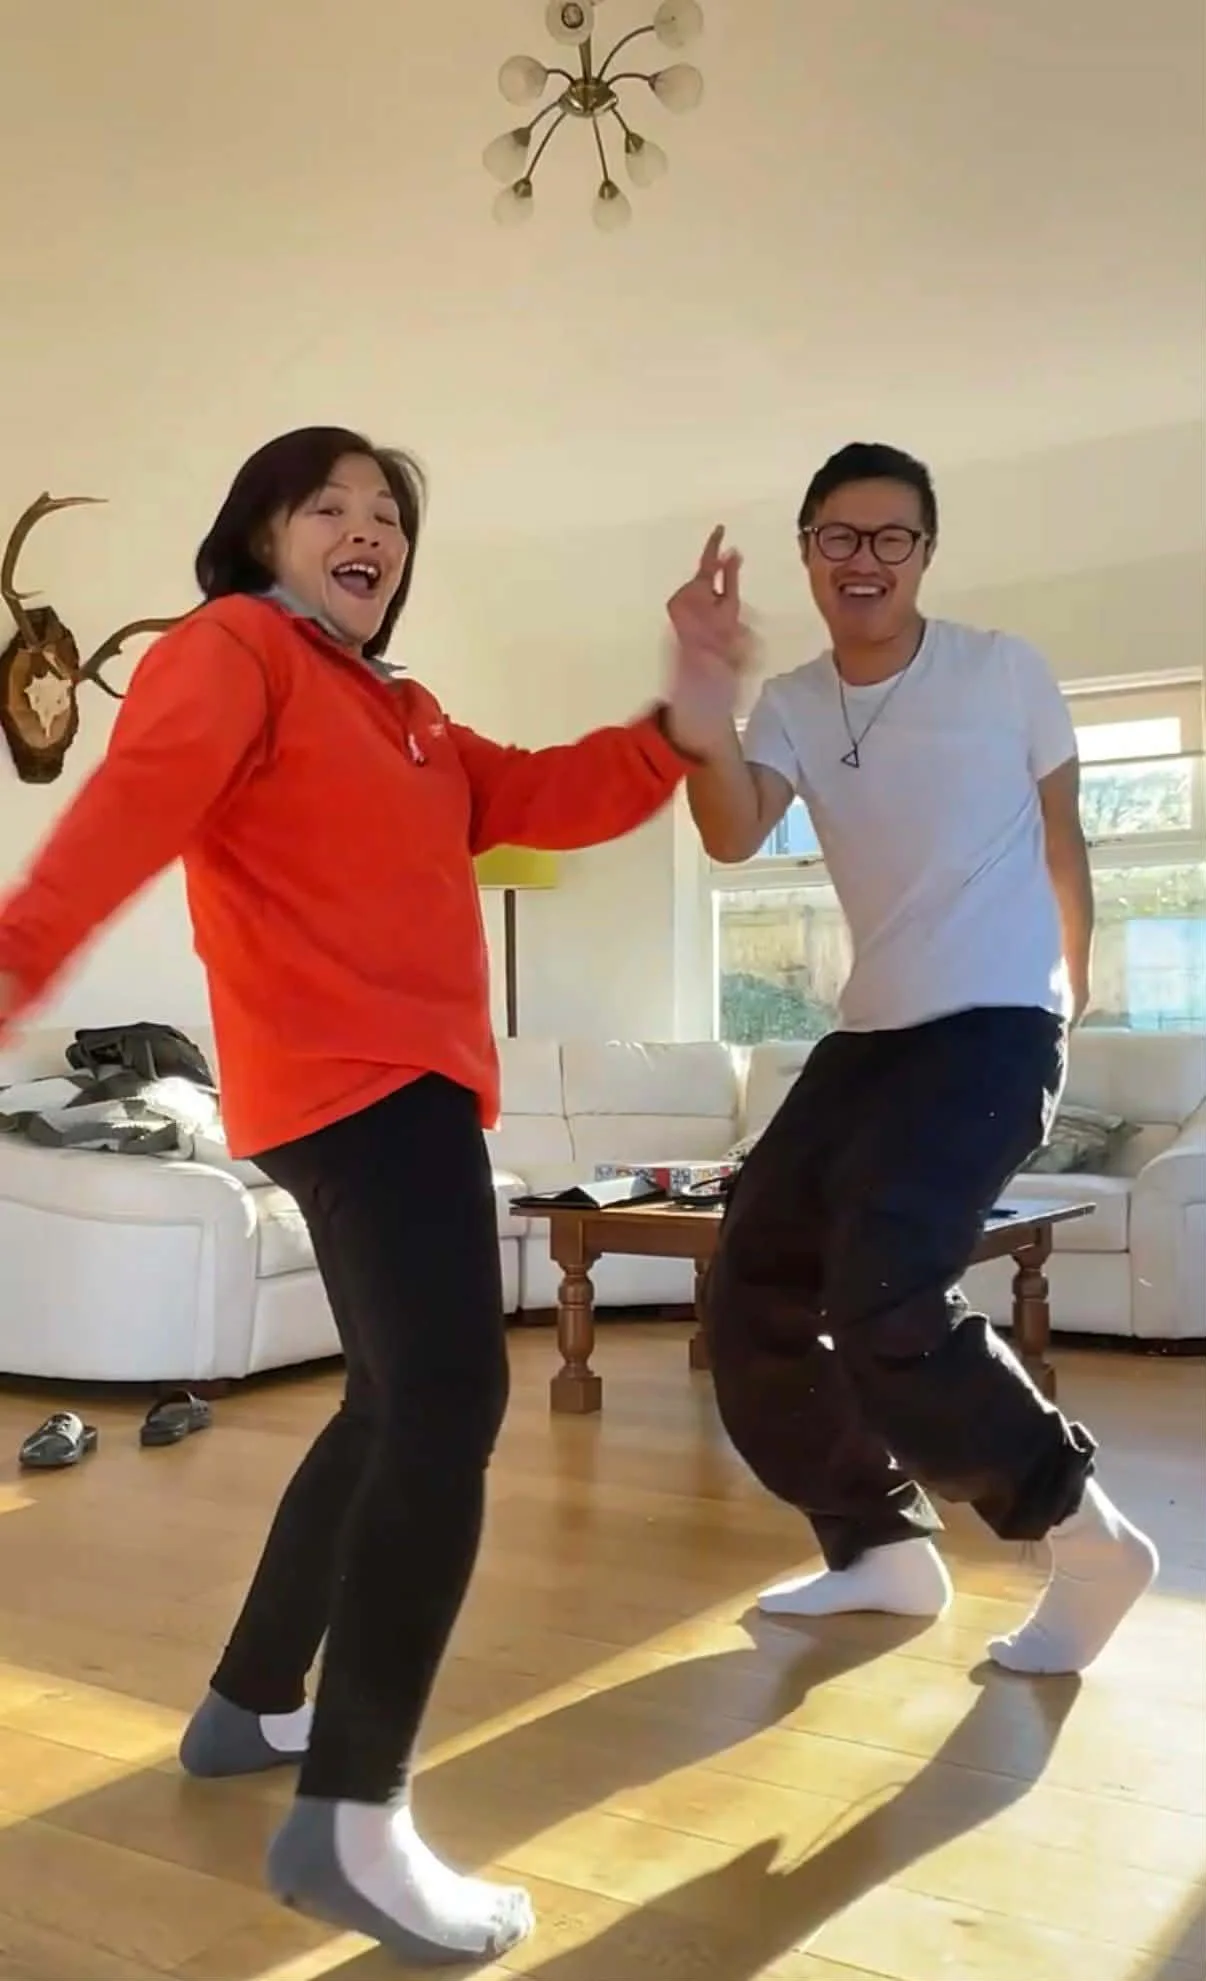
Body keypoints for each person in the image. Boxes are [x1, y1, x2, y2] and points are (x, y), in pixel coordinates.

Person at [0, 427, 748, 1962]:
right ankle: (355, 1817)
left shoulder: (404, 717)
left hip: (394, 1090)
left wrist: (683, 702)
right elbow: (123, 813)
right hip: (355, 1085)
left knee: (386, 1404)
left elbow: (554, 793)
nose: (367, 528)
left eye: (389, 513)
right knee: (450, 1404)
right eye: (325, 503)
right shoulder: (236, 651)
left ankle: (246, 1704)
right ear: (260, 534)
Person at [687, 441, 1157, 1676]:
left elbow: (1064, 840)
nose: (865, 559)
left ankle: (1087, 1535)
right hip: (872, 1032)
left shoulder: (1004, 671)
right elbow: (732, 834)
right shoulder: (789, 699)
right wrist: (699, 699)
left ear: (925, 553)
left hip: (996, 1020)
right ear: (807, 551)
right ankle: (877, 1545)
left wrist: (1071, 987)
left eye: (893, 536)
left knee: (886, 1288)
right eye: (839, 535)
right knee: (749, 1290)